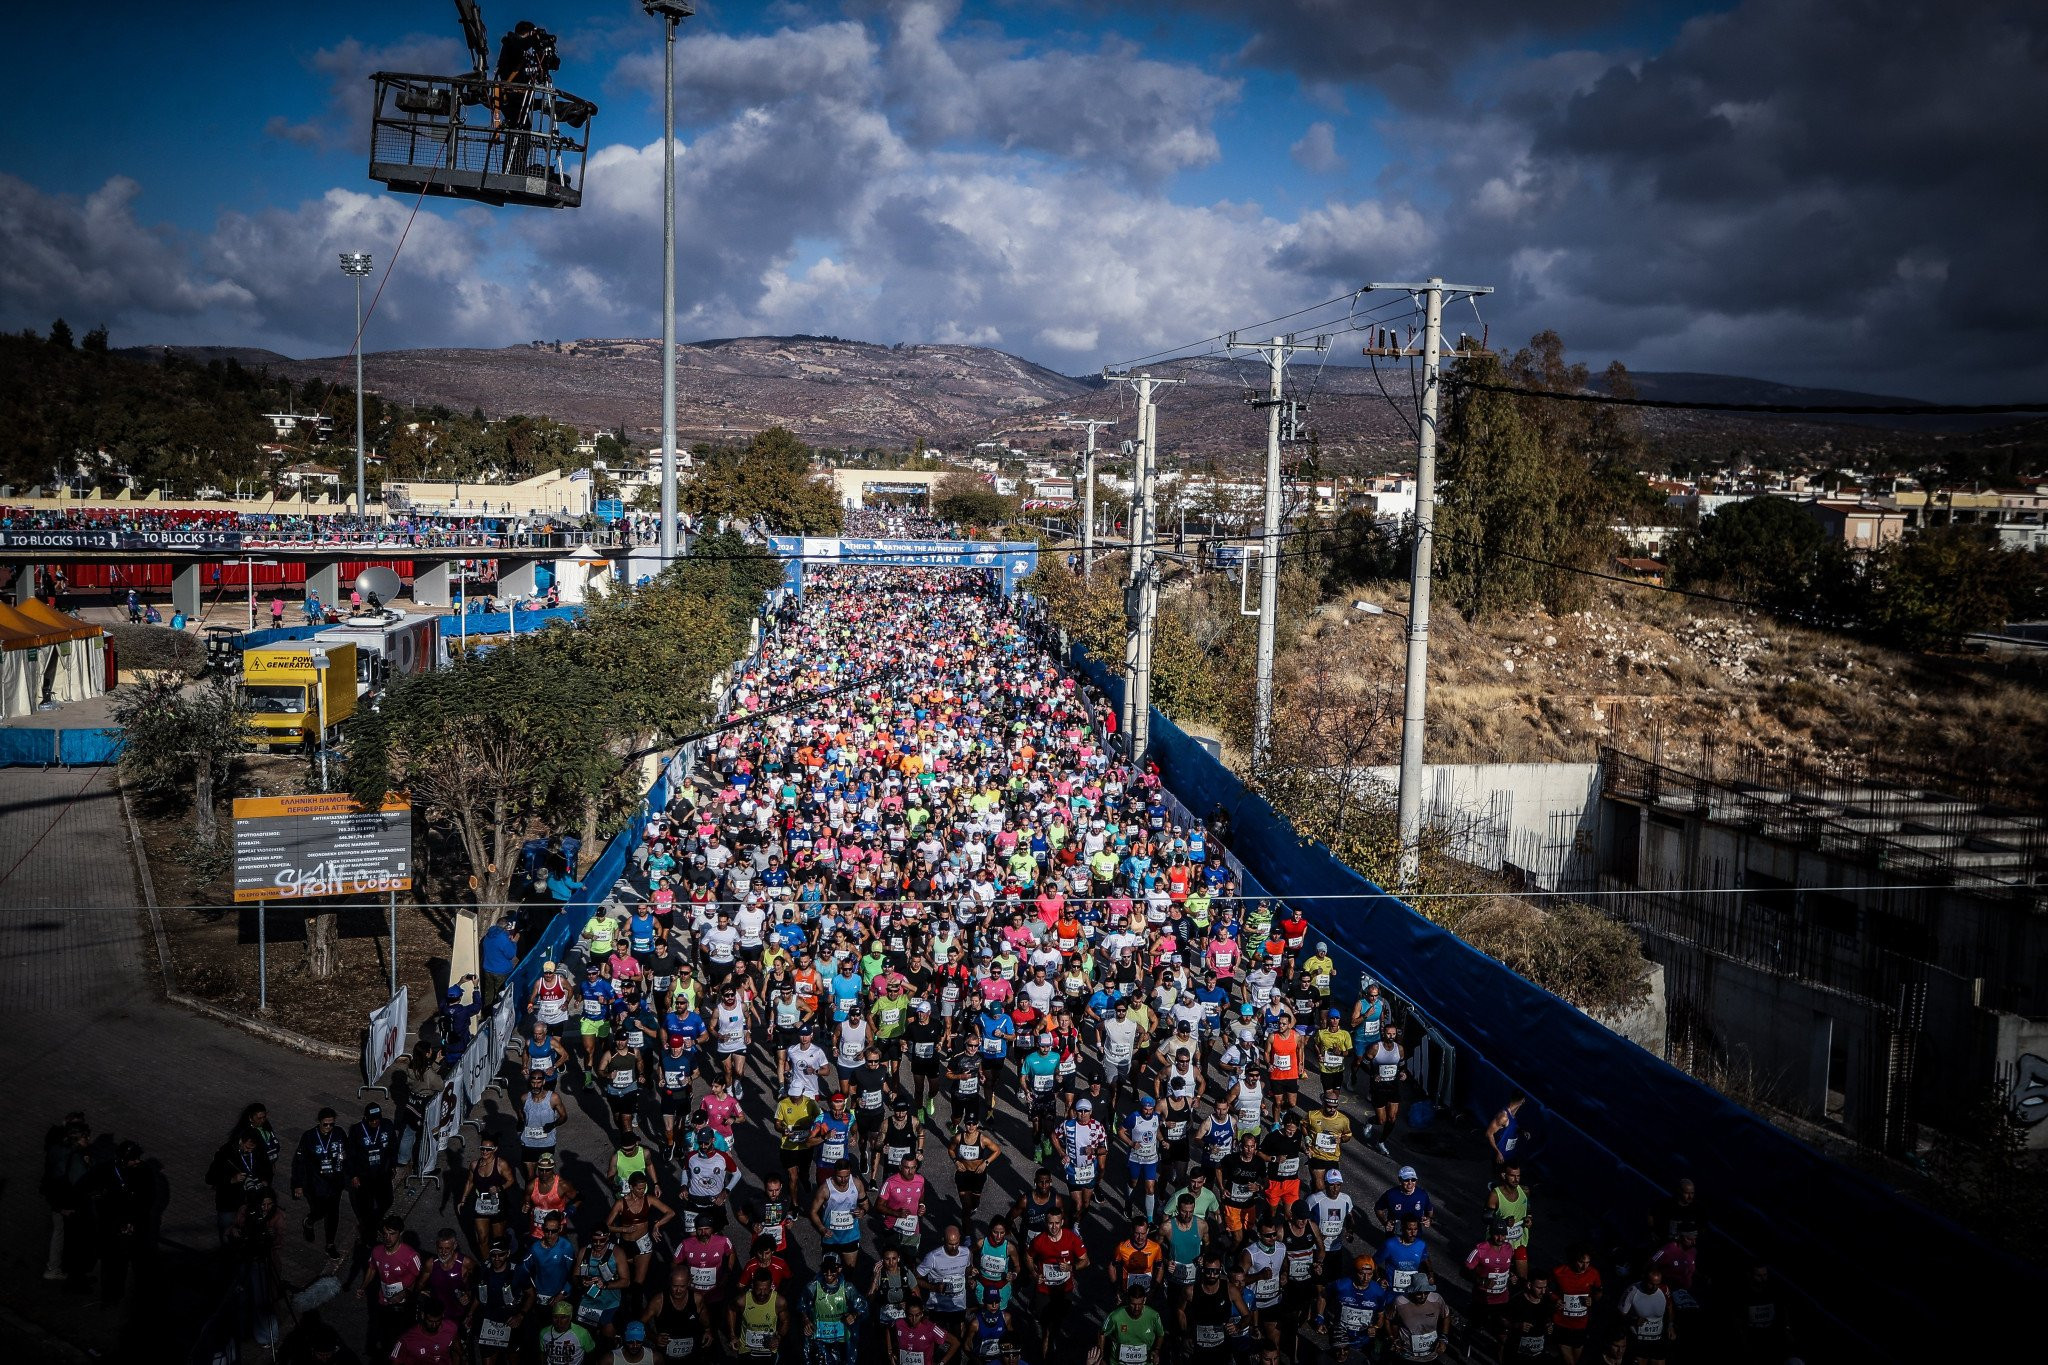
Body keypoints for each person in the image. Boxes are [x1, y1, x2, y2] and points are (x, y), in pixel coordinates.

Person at [42, 1114, 93, 1283]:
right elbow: (82, 1183)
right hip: (67, 1204)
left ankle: (56, 1267)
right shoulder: (75, 1158)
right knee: (65, 1236)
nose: (88, 1139)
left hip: (56, 1201)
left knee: (60, 1233)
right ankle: (57, 1268)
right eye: (85, 1136)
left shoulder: (57, 1149)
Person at [346, 1104, 398, 1247]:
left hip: (382, 1173)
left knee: (387, 1200)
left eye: (377, 1119)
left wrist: (393, 1164)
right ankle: (369, 1237)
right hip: (365, 1175)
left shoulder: (387, 1125)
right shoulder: (357, 1130)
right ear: (366, 1118)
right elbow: (350, 1155)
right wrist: (354, 1175)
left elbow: (393, 1146)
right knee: (366, 1207)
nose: (375, 1122)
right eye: (371, 1120)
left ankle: (374, 1223)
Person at [1098, 1281, 1168, 1364]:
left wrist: (1156, 1350)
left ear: (1144, 1300)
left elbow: (1161, 1334)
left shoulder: (1154, 1316)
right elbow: (1102, 1333)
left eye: (1140, 1304)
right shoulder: (1115, 1316)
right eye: (1133, 1304)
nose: (1137, 1308)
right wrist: (1101, 1357)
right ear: (1128, 1301)